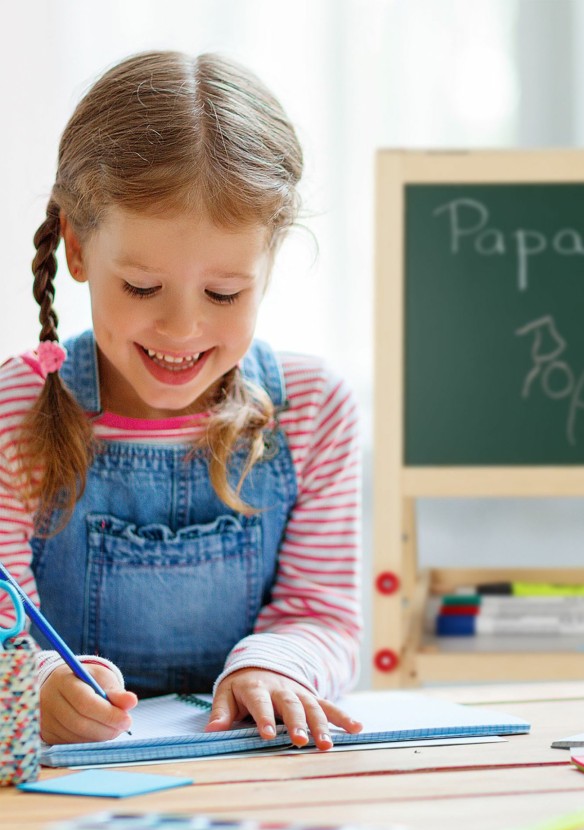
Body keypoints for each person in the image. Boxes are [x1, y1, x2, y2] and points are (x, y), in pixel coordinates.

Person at [0, 50, 363, 749]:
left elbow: (324, 615)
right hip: (73, 788)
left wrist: (279, 667)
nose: (182, 328)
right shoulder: (15, 407)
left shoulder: (314, 408)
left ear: (269, 263)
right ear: (75, 249)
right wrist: (36, 686)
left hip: (255, 778)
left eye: (224, 294)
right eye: (142, 287)